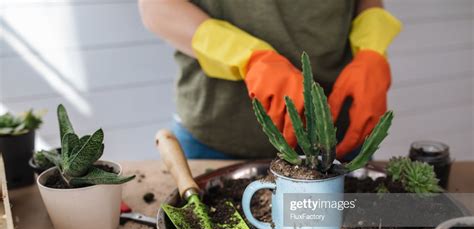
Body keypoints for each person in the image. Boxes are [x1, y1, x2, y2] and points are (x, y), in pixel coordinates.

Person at [138, 0, 401, 160]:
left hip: (339, 137)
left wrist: (371, 50)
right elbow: (157, 7)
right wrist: (248, 57)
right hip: (218, 136)